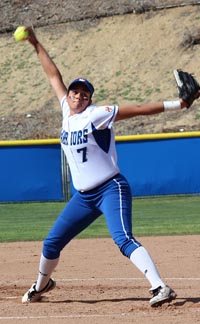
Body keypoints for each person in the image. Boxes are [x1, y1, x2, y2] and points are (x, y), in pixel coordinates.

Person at [21, 26, 193, 307]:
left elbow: (136, 109)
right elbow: (53, 75)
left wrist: (180, 104)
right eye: (75, 92)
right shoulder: (66, 109)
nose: (77, 97)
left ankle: (160, 287)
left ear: (90, 98)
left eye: (84, 94)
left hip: (110, 188)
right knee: (51, 243)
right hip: (84, 197)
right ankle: (40, 286)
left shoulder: (96, 115)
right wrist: (35, 43)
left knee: (123, 239)